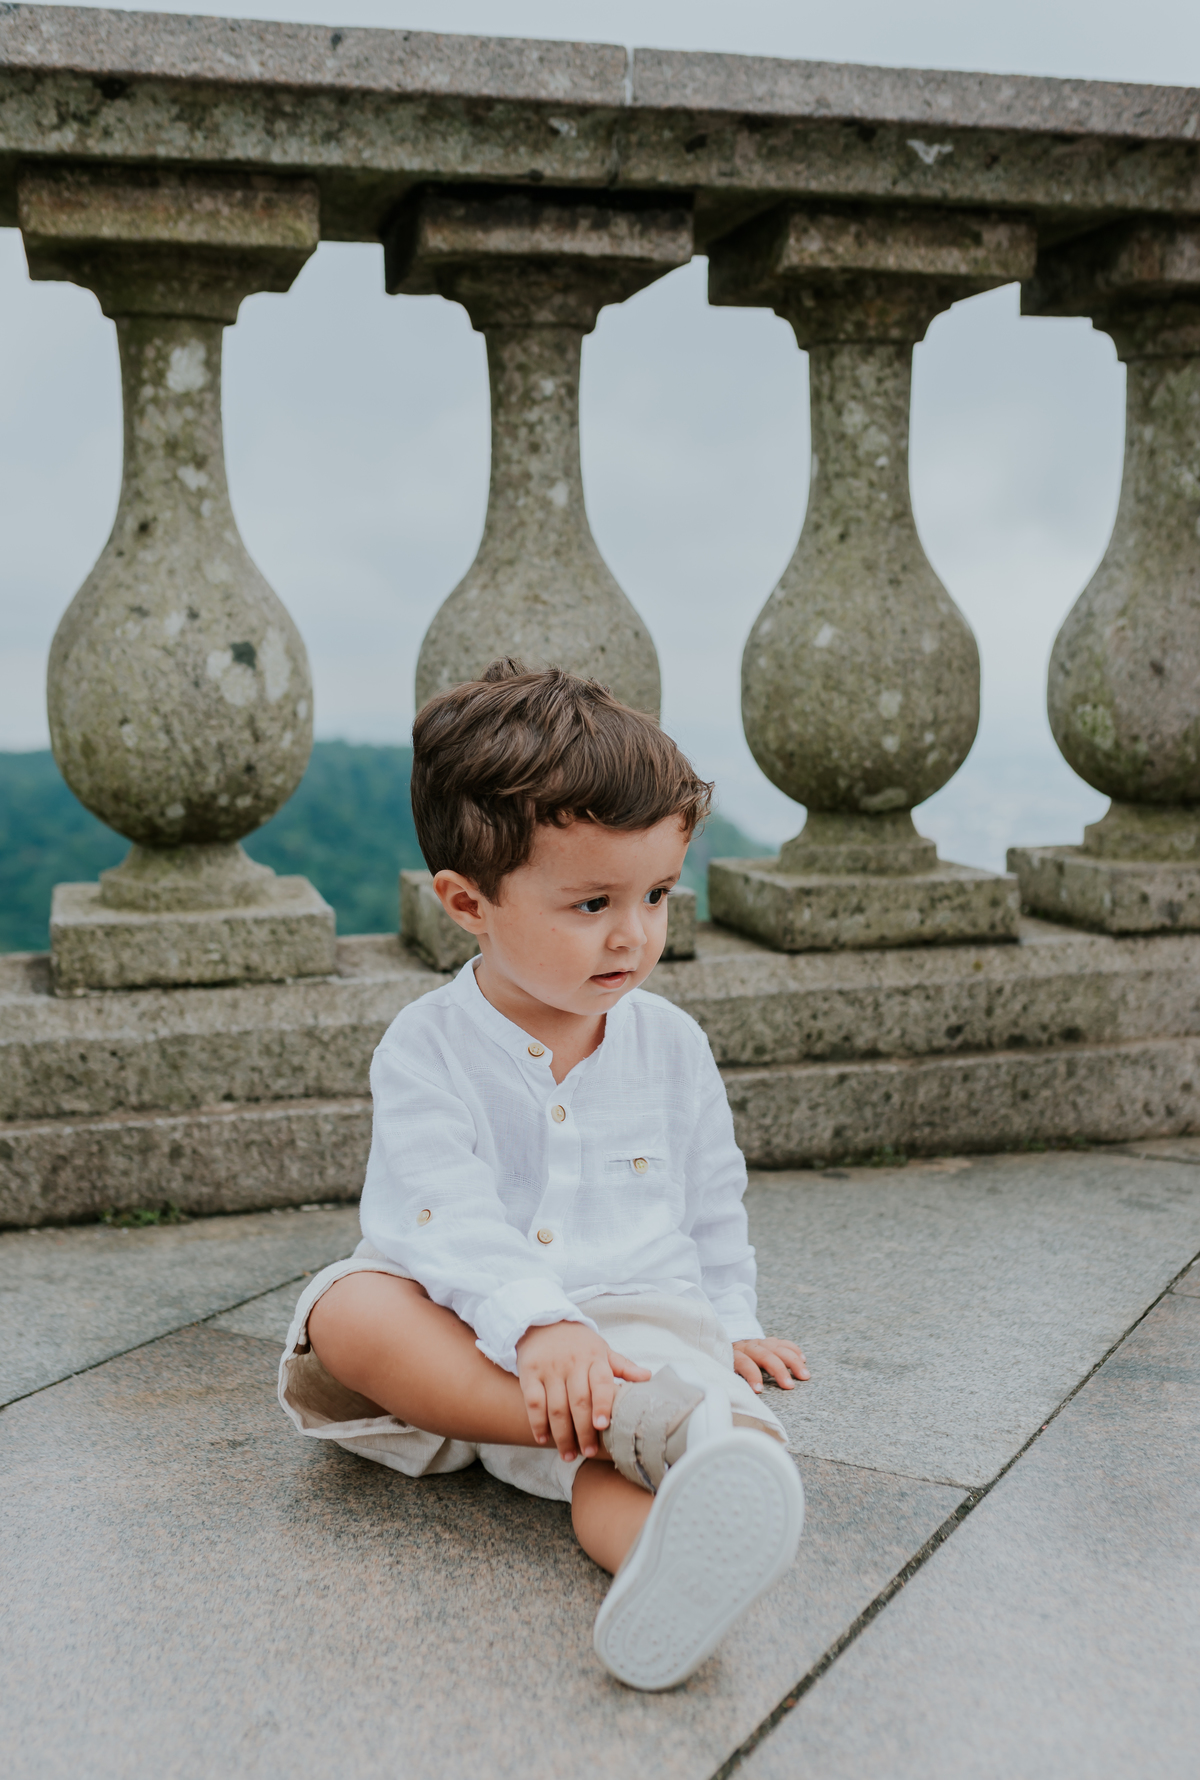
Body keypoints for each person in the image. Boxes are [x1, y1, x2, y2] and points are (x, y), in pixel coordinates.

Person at [279, 660, 809, 1691]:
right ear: (467, 901)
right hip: (467, 1348)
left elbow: (711, 1200)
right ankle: (605, 1419)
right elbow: (438, 1213)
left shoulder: (672, 1044)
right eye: (592, 902)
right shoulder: (427, 1045)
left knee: (670, 1461)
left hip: (637, 1343)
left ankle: (665, 1568)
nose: (633, 934)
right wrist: (537, 1323)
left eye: (657, 895)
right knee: (347, 1306)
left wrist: (732, 1318)